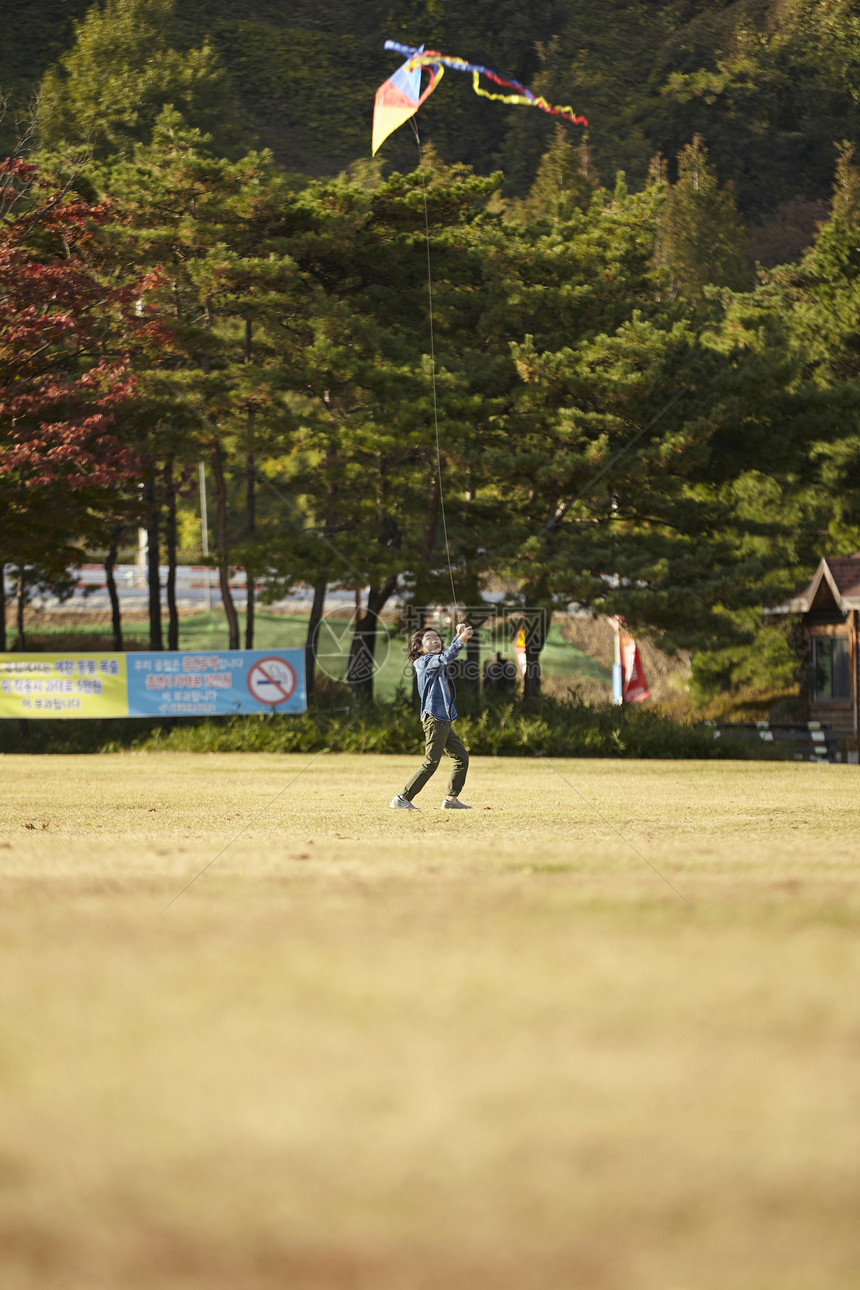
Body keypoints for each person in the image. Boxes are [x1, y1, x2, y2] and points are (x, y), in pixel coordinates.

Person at [389, 622, 474, 810]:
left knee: (461, 757)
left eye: (437, 638)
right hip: (435, 718)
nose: (435, 641)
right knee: (431, 762)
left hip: (443, 719)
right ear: (418, 647)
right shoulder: (423, 662)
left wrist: (457, 636)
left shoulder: (435, 659)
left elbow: (445, 656)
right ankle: (402, 798)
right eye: (429, 639)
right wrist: (460, 640)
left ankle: (451, 800)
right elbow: (444, 658)